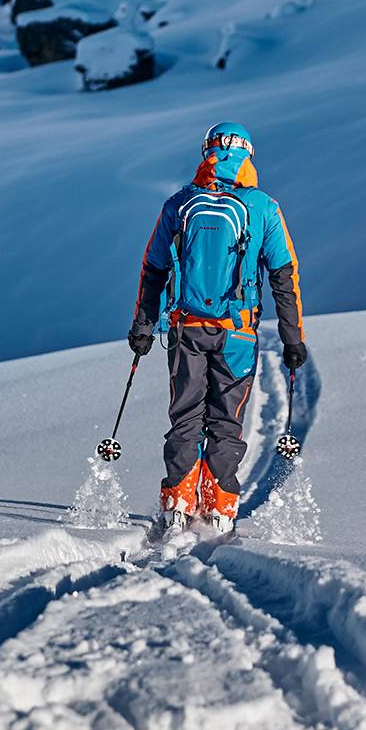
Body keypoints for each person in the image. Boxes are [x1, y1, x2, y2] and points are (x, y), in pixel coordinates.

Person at [129, 122, 306, 536]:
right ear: (248, 156)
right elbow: (284, 275)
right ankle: (220, 505)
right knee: (226, 420)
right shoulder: (263, 207)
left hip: (185, 328)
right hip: (238, 333)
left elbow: (153, 268)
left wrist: (142, 324)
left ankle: (177, 498)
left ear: (206, 151)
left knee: (185, 413)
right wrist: (292, 338)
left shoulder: (179, 203)